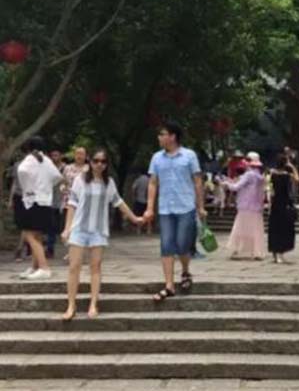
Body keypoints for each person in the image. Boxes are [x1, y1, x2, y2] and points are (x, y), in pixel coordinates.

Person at [61, 149, 143, 320]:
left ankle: (93, 303)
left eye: (103, 161)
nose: (99, 164)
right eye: (96, 161)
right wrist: (67, 228)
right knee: (74, 266)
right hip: (79, 228)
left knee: (95, 267)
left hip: (98, 230)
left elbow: (118, 202)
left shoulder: (109, 183)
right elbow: (72, 204)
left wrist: (134, 218)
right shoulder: (80, 180)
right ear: (90, 161)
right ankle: (71, 304)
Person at [143, 121, 206, 302]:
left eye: (162, 134)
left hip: (186, 206)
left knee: (182, 244)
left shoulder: (189, 156)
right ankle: (169, 285)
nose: (159, 138)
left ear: (172, 136)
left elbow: (197, 181)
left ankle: (185, 271)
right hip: (165, 208)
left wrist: (200, 206)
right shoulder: (156, 158)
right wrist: (149, 207)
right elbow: (153, 183)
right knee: (166, 245)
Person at [16, 137, 64, 280]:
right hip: (45, 201)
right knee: (37, 235)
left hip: (33, 201)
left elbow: (21, 171)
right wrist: (46, 187)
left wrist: (28, 187)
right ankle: (35, 267)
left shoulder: (29, 159)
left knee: (29, 235)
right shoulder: (47, 160)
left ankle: (44, 267)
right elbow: (57, 177)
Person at [225, 152, 266, 260]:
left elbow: (235, 187)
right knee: (256, 230)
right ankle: (257, 252)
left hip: (245, 206)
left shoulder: (249, 175)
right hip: (256, 207)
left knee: (240, 228)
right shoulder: (259, 176)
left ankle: (237, 249)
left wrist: (226, 183)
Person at [268, 153, 296, 263]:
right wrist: (292, 166)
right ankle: (281, 253)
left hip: (275, 203)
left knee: (275, 228)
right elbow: (297, 179)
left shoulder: (272, 174)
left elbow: (270, 188)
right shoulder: (287, 176)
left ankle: (275, 253)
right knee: (284, 229)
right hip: (285, 203)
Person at [45, 148, 65, 258]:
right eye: (53, 155)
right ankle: (50, 248)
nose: (54, 157)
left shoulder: (66, 168)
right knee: (51, 226)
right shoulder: (48, 168)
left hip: (63, 201)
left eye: (56, 155)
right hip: (50, 201)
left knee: (64, 226)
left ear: (61, 156)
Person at [131, 170, 151, 235]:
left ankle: (139, 229)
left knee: (139, 214)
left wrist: (134, 196)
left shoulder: (138, 180)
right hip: (147, 200)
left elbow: (133, 188)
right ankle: (148, 230)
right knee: (148, 215)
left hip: (139, 199)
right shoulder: (149, 180)